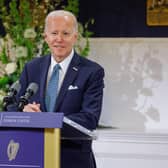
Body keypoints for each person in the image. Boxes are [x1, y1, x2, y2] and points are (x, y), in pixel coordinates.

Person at [13, 10, 104, 168]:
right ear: (45, 37)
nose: (59, 39)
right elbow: (13, 106)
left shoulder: (92, 71)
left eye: (66, 33)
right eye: (54, 33)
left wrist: (47, 121)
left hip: (73, 159)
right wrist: (24, 111)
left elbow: (90, 118)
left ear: (75, 37)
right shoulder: (32, 68)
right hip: (34, 155)